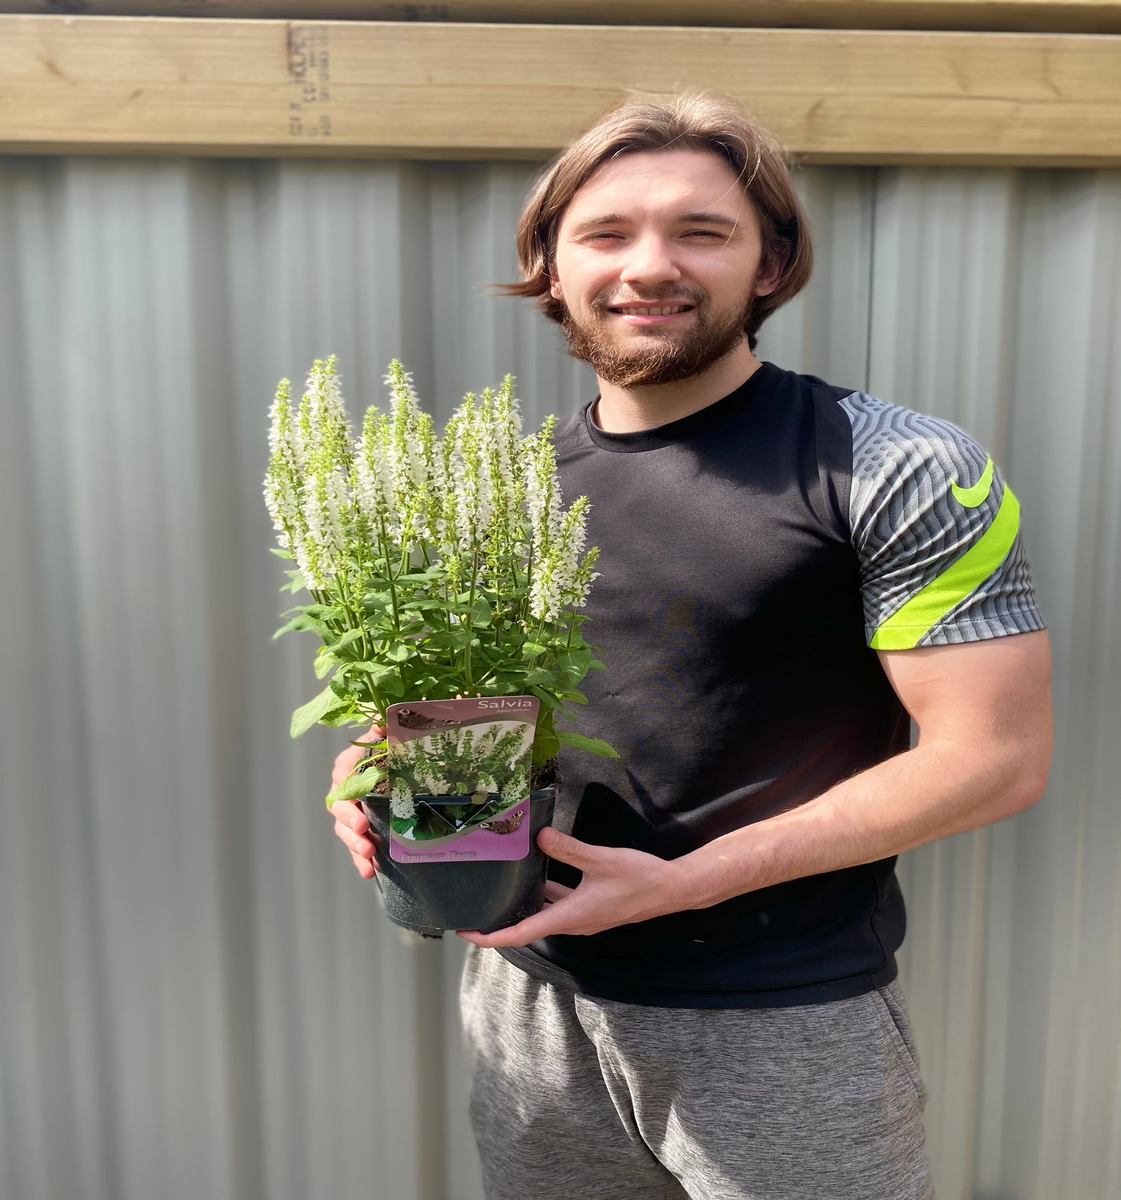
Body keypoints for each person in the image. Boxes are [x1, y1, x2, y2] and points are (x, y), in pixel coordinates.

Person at [329, 95, 1053, 1200]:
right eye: (606, 233)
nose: (649, 266)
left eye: (701, 231)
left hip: (782, 1028)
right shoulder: (497, 492)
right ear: (552, 267)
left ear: (771, 264)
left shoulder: (894, 466)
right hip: (530, 1006)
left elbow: (995, 757)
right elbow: (464, 703)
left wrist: (684, 885)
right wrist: (378, 769)